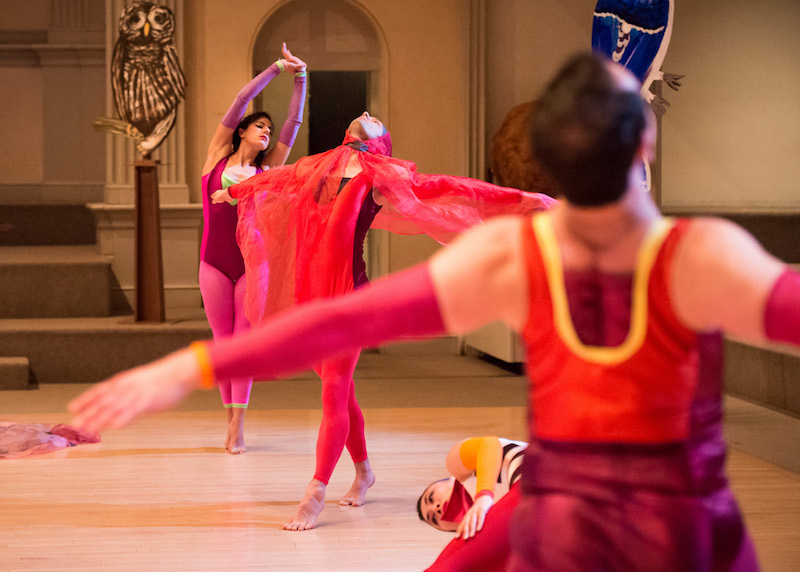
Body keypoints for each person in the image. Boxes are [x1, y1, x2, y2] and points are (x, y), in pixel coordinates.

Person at [68, 51, 800, 569]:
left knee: (369, 405)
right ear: (644, 143)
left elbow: (360, 300)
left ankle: (356, 483)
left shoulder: (507, 252)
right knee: (367, 404)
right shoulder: (704, 252)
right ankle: (372, 480)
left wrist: (189, 367)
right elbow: (459, 201)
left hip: (586, 522)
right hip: (655, 529)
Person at [209, 111, 554, 530]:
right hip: (311, 296)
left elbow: (452, 188)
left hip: (351, 295)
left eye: (379, 121)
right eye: (367, 115)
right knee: (343, 392)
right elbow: (278, 180)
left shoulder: (381, 173)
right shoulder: (321, 164)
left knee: (335, 392)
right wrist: (237, 192)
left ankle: (315, 491)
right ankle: (364, 471)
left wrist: (528, 200)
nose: (370, 114)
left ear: (381, 140)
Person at [199, 43, 306, 454]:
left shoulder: (268, 170)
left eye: (268, 129)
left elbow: (293, 125)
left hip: (250, 264)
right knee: (223, 343)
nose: (266, 132)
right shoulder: (213, 161)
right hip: (212, 263)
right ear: (241, 130)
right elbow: (241, 100)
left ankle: (238, 425)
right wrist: (277, 67)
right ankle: (230, 418)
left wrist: (301, 78)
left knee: (242, 342)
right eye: (259, 126)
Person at [418, 437, 526, 572]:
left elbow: (489, 444)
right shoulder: (486, 538)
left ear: (450, 480)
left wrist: (484, 495)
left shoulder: (457, 467)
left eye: (431, 498)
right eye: (433, 518)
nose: (436, 508)